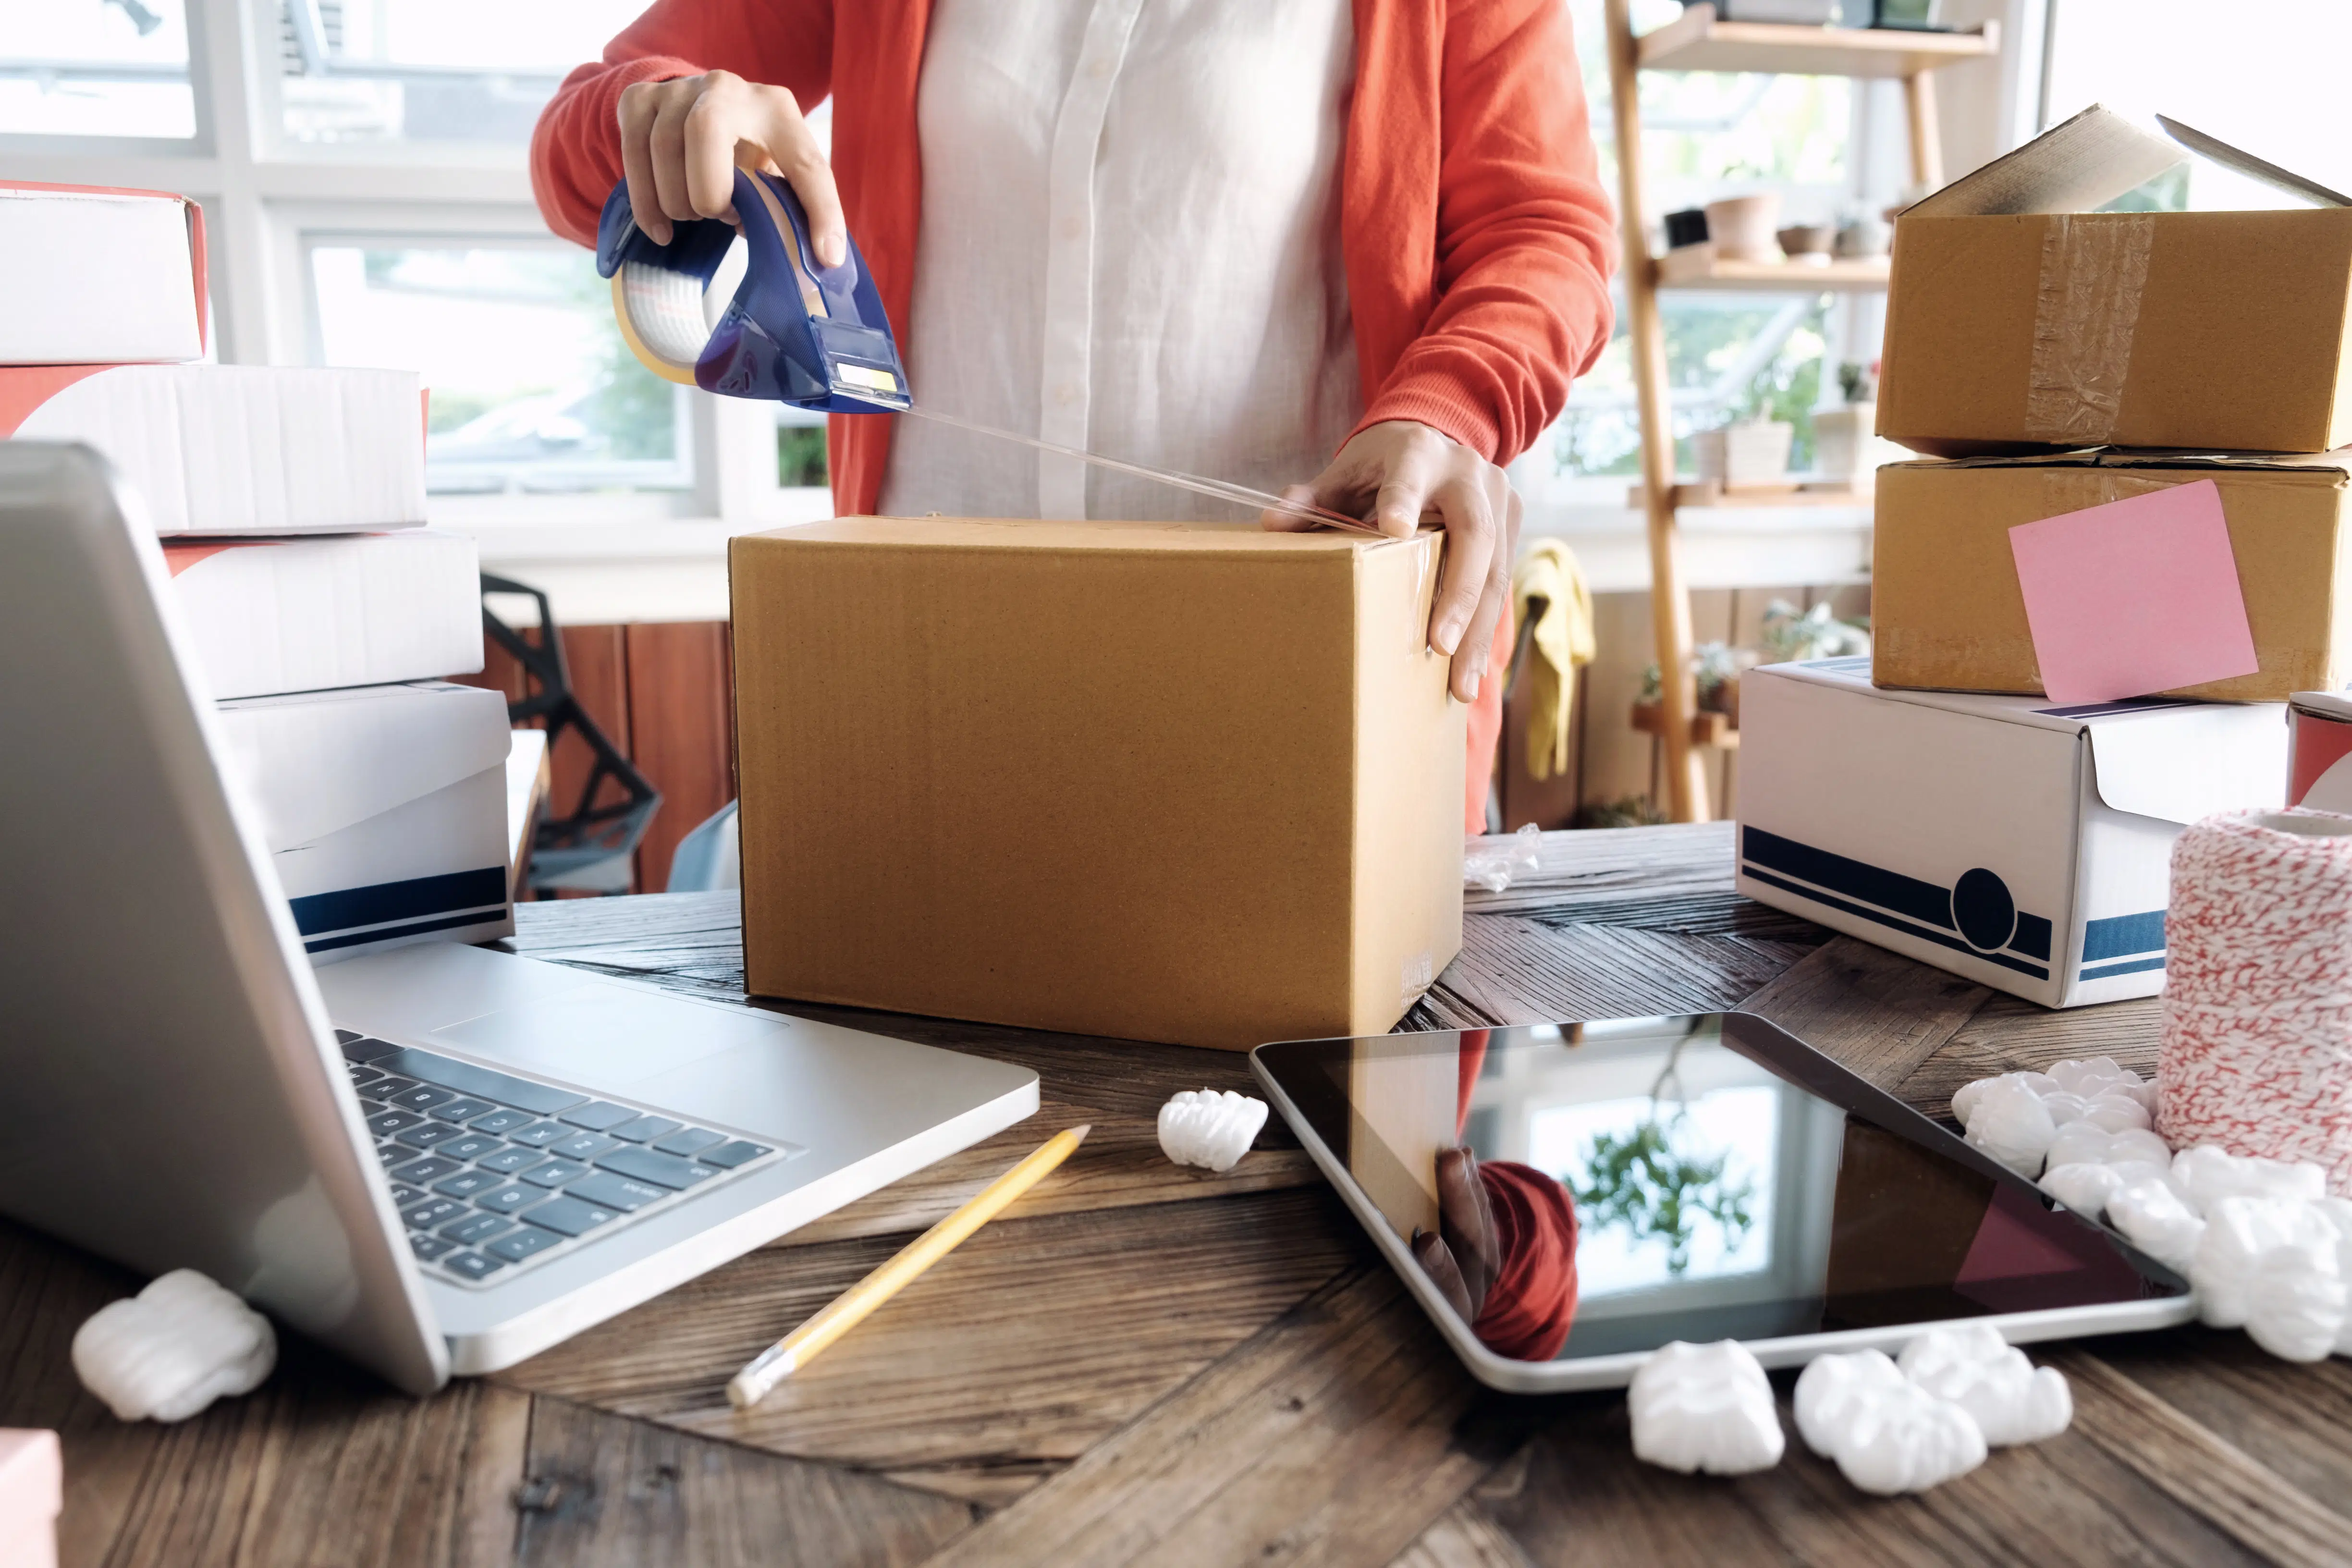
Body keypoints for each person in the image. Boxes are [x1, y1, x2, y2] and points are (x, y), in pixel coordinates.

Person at [531, 0, 1616, 829]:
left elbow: (1548, 230)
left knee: (1330, 1123)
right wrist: (660, 115)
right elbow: (578, 146)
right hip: (929, 696)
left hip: (1306, 710)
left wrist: (1449, 406)